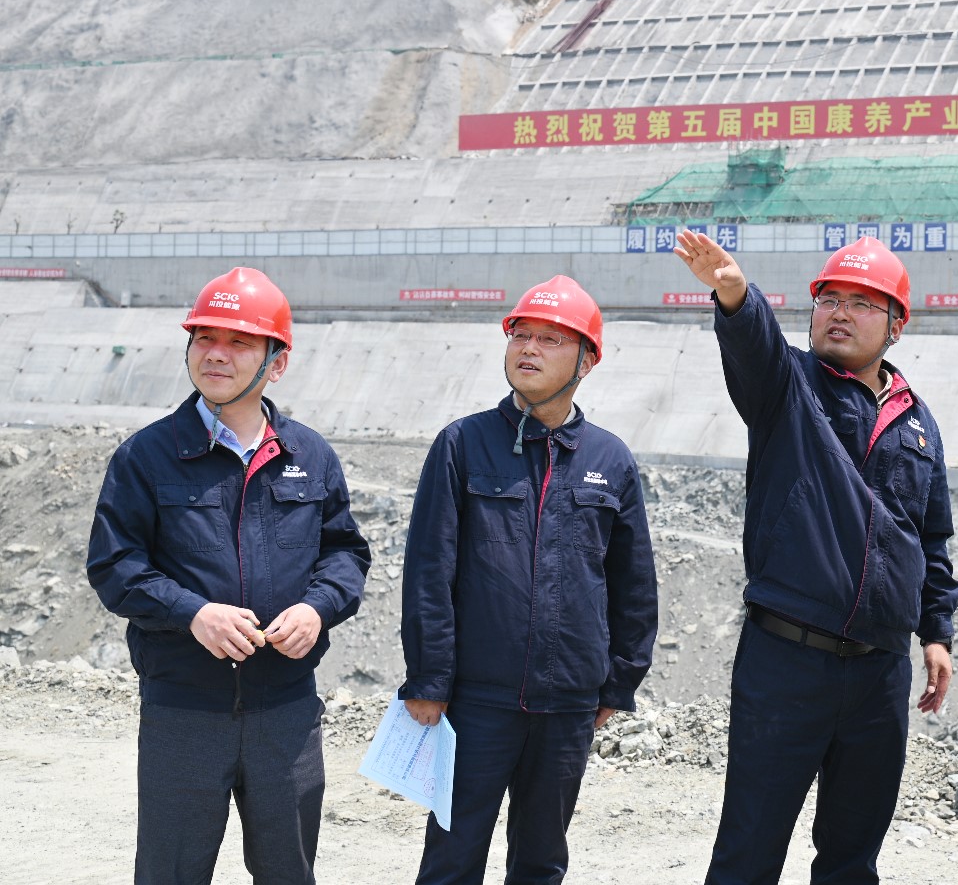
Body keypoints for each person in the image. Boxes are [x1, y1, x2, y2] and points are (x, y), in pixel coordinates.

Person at [674, 230, 958, 885]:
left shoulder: (919, 423)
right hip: (786, 660)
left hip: (879, 672)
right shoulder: (788, 386)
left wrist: (936, 633)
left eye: (861, 303)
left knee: (852, 858)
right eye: (829, 299)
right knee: (749, 850)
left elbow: (931, 536)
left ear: (896, 324)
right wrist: (736, 295)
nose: (839, 313)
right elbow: (754, 347)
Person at [86, 266, 370, 885]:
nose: (216, 353)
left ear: (277, 361)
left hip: (286, 712)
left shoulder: (310, 456)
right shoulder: (146, 456)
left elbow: (345, 554)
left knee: (288, 872)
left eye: (240, 342)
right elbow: (114, 564)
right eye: (204, 338)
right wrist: (193, 613)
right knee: (170, 872)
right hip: (183, 713)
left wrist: (317, 608)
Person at [400, 275, 657, 885]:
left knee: (541, 862)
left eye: (550, 339)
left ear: (587, 361)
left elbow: (633, 583)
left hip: (568, 704)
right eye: (521, 335)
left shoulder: (610, 459)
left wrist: (618, 681)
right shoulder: (463, 444)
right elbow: (430, 571)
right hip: (475, 700)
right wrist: (429, 679)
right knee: (451, 859)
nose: (529, 349)